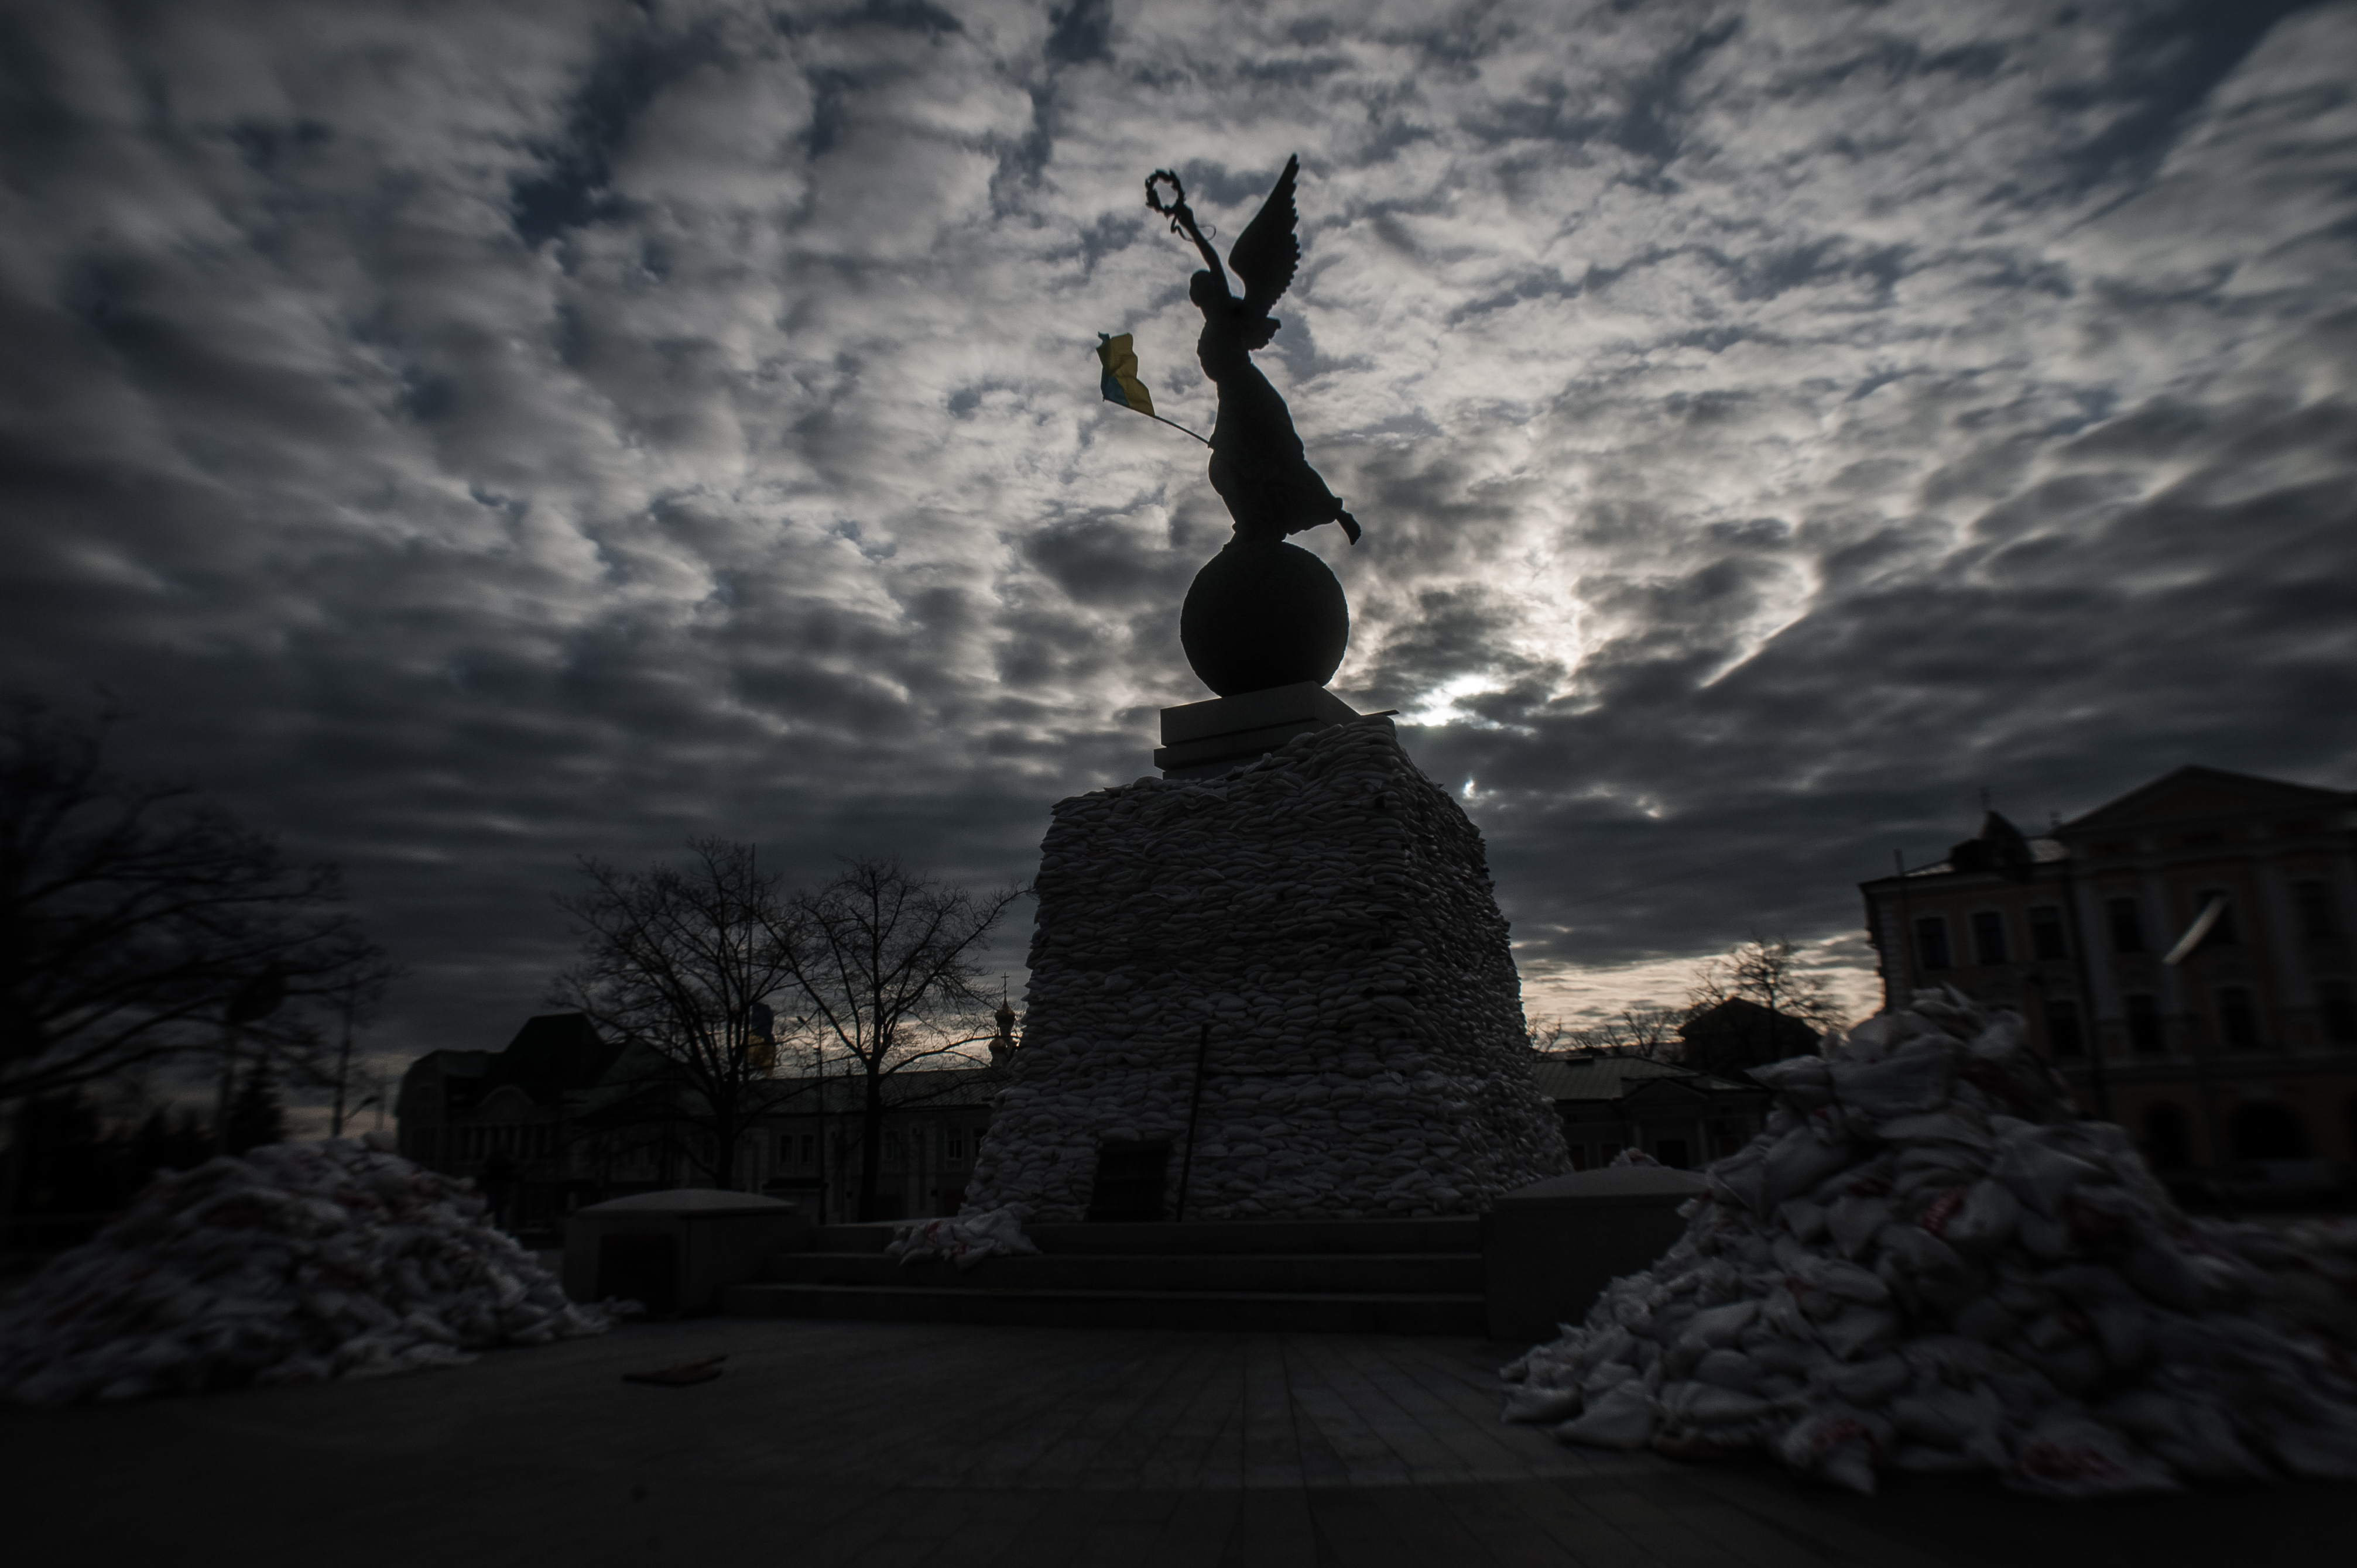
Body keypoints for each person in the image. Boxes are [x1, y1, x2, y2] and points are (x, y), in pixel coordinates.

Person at [1159, 157, 1361, 546]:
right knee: (1225, 468)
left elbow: (1216, 262)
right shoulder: (1212, 324)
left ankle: (1335, 512)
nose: (1197, 296)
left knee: (1282, 461)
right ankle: (1253, 524)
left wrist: (1187, 222)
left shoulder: (1227, 313)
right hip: (1232, 399)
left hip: (1250, 396)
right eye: (1195, 293)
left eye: (1201, 289)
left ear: (1209, 291)